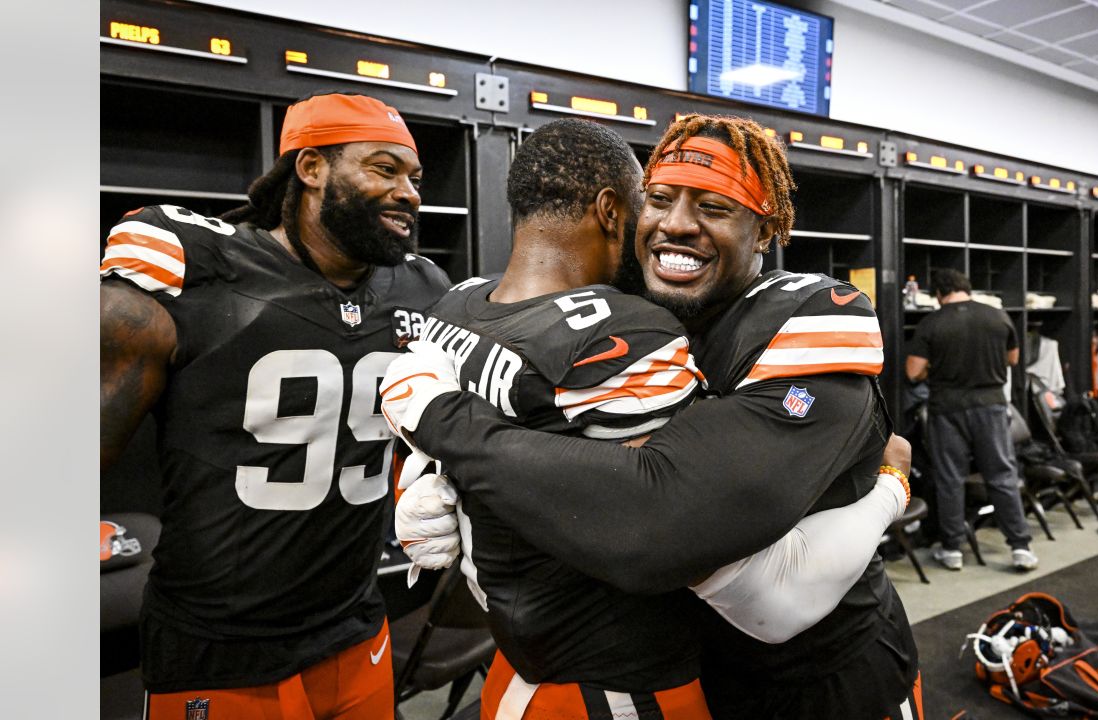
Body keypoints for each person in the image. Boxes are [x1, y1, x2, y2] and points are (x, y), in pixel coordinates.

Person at [382, 114, 923, 720]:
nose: (677, 224)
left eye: (714, 207)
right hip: (691, 674)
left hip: (824, 677)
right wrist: (441, 485)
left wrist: (444, 423)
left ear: (764, 230)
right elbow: (553, 454)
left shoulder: (809, 313)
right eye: (660, 200)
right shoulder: (628, 308)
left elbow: (670, 528)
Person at [99, 91, 452, 719]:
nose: (409, 193)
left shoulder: (419, 286)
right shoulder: (200, 271)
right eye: (383, 169)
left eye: (415, 177)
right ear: (311, 168)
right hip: (222, 648)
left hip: (355, 624)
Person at [904, 268, 1038, 572]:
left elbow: (913, 372)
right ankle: (1020, 547)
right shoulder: (998, 316)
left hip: (947, 408)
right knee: (1002, 476)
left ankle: (952, 550)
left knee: (950, 479)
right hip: (990, 405)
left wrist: (936, 369)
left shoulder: (932, 322)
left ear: (939, 294)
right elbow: (1014, 359)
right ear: (967, 288)